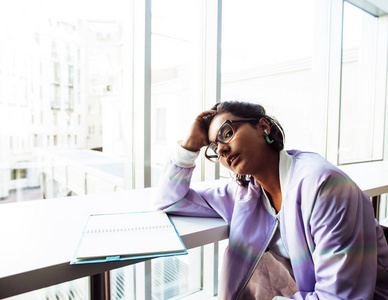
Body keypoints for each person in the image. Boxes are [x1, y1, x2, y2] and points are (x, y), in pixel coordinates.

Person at [155, 100, 388, 299]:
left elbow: (340, 296)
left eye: (227, 133)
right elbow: (170, 200)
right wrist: (189, 146)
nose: (222, 150)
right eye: (215, 148)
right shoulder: (247, 193)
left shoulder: (324, 187)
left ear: (263, 126)